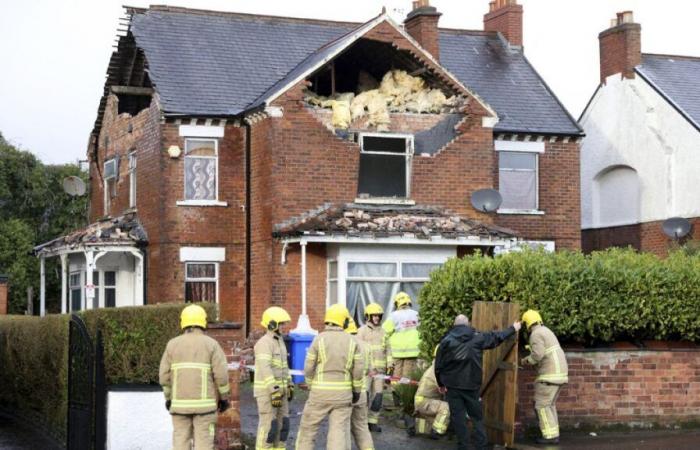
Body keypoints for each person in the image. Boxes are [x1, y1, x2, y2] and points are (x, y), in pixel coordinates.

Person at [435, 314, 521, 450]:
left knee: (458, 418)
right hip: (472, 386)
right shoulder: (477, 337)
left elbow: (438, 366)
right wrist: (513, 328)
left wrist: (441, 384)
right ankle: (481, 445)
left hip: (452, 386)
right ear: (468, 324)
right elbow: (496, 337)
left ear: (454, 324)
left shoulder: (446, 341)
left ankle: (463, 446)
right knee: (477, 417)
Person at [159, 304, 231, 450]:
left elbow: (164, 377)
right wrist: (224, 398)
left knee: (180, 444)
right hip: (205, 409)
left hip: (179, 407)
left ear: (183, 322)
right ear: (203, 322)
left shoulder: (172, 345)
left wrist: (168, 399)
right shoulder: (212, 344)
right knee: (204, 445)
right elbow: (222, 375)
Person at [295, 304, 364, 450]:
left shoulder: (318, 339)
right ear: (343, 321)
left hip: (319, 394)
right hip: (343, 396)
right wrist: (356, 391)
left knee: (308, 431)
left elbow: (308, 368)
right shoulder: (353, 341)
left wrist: (310, 384)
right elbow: (358, 371)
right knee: (338, 433)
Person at [520, 309, 568, 445]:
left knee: (541, 406)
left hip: (549, 376)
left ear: (527, 324)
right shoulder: (546, 331)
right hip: (559, 375)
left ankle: (549, 437)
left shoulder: (536, 334)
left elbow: (538, 355)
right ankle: (553, 433)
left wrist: (524, 361)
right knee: (549, 405)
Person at [254, 306, 293, 450]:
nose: (283, 327)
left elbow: (284, 367)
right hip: (267, 393)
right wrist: (274, 390)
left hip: (280, 392)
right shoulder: (264, 343)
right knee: (269, 428)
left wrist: (289, 384)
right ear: (272, 324)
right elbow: (265, 368)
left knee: (283, 427)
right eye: (281, 324)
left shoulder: (280, 341)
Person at [382, 292, 420, 406]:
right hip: (412, 353)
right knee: (408, 378)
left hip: (397, 353)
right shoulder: (416, 314)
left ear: (397, 303)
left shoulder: (393, 316)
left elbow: (384, 332)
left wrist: (383, 347)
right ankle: (406, 401)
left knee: (396, 378)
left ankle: (397, 401)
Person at [356, 302, 389, 432]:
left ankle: (372, 422)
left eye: (378, 316)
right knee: (364, 397)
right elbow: (358, 351)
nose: (376, 318)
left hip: (380, 373)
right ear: (368, 316)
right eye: (374, 315)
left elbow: (388, 349)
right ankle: (361, 423)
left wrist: (390, 365)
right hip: (367, 372)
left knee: (378, 397)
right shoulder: (361, 331)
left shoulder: (383, 332)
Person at [345, 318, 375, 450]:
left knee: (343, 428)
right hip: (362, 392)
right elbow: (371, 370)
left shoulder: (343, 345)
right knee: (361, 427)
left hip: (346, 393)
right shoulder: (366, 346)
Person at [409, 346, 449, 440]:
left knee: (432, 424)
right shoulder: (438, 370)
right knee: (446, 407)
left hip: (423, 402)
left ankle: (415, 427)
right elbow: (445, 389)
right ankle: (437, 432)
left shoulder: (434, 367)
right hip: (425, 402)